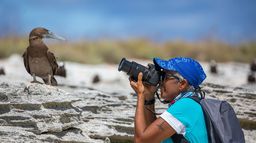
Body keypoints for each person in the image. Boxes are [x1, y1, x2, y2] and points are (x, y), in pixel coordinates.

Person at [129, 57, 208, 143]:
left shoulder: (186, 106)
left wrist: (141, 95)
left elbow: (140, 141)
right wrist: (148, 96)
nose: (161, 81)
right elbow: (152, 138)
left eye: (165, 77)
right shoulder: (191, 103)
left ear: (182, 84)